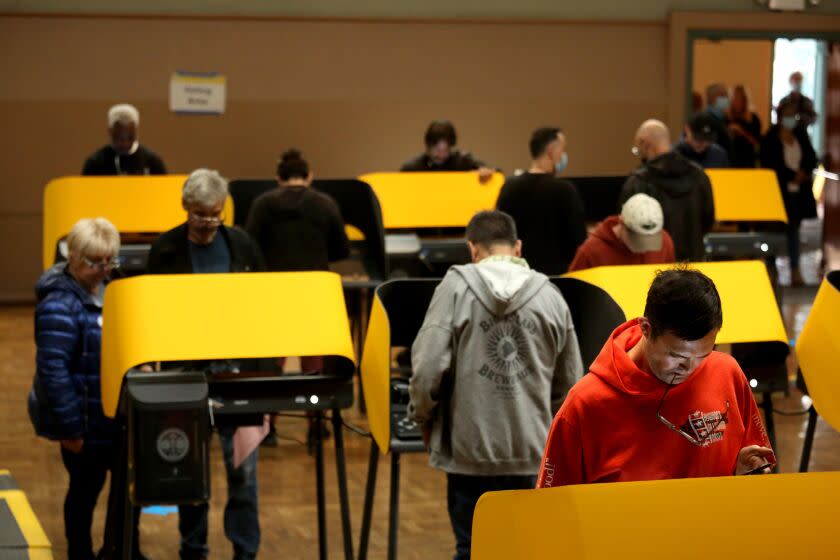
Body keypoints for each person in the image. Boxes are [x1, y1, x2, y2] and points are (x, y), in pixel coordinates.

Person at [409, 210, 583, 560]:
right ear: (517, 247)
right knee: (526, 551)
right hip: (533, 453)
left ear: (472, 249)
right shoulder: (551, 296)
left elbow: (428, 368)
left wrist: (423, 418)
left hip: (468, 451)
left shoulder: (455, 288)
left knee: (471, 549)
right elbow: (571, 385)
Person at [537, 267, 775, 487]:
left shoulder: (726, 373)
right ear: (646, 329)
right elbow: (555, 505)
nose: (689, 367)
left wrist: (744, 475)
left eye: (703, 354)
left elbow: (757, 466)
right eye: (676, 355)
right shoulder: (585, 405)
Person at [147, 169, 264, 560]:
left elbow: (265, 303)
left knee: (244, 476)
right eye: (201, 215)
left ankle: (245, 552)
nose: (209, 224)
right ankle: (192, 549)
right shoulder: (165, 249)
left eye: (216, 214)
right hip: (187, 373)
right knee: (188, 472)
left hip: (239, 372)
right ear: (185, 207)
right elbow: (154, 313)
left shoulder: (243, 245)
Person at [31, 218, 146, 560]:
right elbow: (54, 372)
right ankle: (79, 554)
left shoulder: (114, 290)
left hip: (117, 417)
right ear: (73, 257)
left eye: (109, 260)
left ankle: (123, 549)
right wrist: (70, 429)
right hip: (83, 423)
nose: (103, 269)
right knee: (84, 493)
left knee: (129, 492)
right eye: (94, 262)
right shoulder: (57, 304)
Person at [245, 149, 350, 449]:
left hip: (275, 290)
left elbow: (250, 246)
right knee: (313, 363)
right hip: (315, 290)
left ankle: (268, 428)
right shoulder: (324, 203)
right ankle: (316, 426)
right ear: (309, 176)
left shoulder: (263, 203)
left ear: (278, 178)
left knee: (273, 362)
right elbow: (342, 249)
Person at [495, 127, 587, 275]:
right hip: (557, 279)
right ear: (551, 151)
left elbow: (499, 236)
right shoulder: (564, 190)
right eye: (562, 149)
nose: (563, 156)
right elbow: (579, 242)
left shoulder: (508, 187)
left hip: (517, 276)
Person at [621, 119, 715, 262]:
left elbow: (627, 228)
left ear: (644, 143)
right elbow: (708, 220)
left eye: (637, 149)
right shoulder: (699, 176)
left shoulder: (639, 181)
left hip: (653, 267)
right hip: (694, 264)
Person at [760, 99, 818, 287]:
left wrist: (802, 173)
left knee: (794, 230)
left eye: (793, 115)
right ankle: (771, 266)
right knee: (775, 230)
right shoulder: (770, 137)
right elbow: (770, 164)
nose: (790, 119)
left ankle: (795, 269)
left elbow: (811, 157)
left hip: (798, 192)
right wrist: (792, 175)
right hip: (779, 190)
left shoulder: (800, 134)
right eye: (787, 115)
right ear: (780, 116)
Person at [568, 193, 675, 272]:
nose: (643, 248)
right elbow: (573, 291)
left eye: (650, 239)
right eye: (637, 239)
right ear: (622, 223)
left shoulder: (665, 242)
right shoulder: (591, 252)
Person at [82, 104, 167, 175]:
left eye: (130, 137)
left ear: (136, 131)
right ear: (110, 131)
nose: (125, 143)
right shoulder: (95, 163)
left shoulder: (153, 162)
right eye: (119, 138)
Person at [401, 120, 495, 182]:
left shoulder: (463, 161)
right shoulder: (412, 168)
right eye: (437, 150)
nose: (441, 155)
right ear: (428, 146)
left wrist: (485, 172)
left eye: (445, 150)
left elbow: (496, 174)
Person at [727, 84, 762, 168]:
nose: (738, 103)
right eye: (735, 99)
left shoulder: (753, 118)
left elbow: (757, 143)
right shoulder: (727, 118)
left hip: (747, 160)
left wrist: (742, 132)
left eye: (741, 99)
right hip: (730, 160)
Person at [702, 83, 734, 158]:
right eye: (723, 95)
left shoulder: (723, 118)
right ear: (711, 98)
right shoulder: (706, 119)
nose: (727, 99)